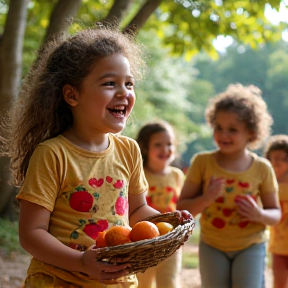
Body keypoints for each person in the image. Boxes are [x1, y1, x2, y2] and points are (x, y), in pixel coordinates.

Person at [4, 26, 190, 288]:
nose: (124, 92)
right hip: (59, 281)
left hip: (117, 282)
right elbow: (31, 234)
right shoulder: (52, 154)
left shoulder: (129, 150)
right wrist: (81, 262)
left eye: (129, 83)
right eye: (109, 83)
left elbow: (137, 210)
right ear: (72, 95)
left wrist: (165, 221)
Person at [177, 83, 281, 288]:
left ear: (251, 133)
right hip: (212, 245)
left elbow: (276, 214)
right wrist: (206, 198)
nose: (223, 135)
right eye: (219, 127)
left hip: (250, 246)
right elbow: (182, 209)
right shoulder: (202, 162)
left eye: (232, 130)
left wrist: (259, 214)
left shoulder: (262, 168)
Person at [135, 120, 185, 288]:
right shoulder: (139, 174)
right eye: (158, 144)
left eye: (169, 144)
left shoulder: (177, 175)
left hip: (171, 240)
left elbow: (179, 205)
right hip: (143, 243)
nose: (165, 149)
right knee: (143, 284)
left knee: (169, 282)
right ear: (145, 147)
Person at [264, 134, 288, 288]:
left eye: (283, 158)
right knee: (279, 283)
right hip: (278, 245)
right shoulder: (267, 186)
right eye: (273, 158)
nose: (276, 162)